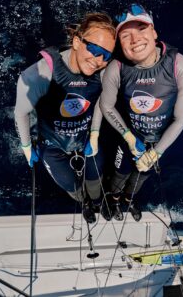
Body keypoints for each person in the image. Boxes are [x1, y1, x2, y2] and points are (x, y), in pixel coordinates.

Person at [14, 13, 116, 224]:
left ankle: (98, 200)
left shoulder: (105, 72)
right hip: (53, 146)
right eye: (95, 50)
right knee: (72, 187)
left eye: (106, 56)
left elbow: (100, 101)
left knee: (95, 182)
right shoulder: (39, 73)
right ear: (77, 42)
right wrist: (26, 146)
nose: (98, 61)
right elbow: (21, 112)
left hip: (86, 140)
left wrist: (95, 134)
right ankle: (85, 203)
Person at [100, 4, 183, 222]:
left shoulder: (180, 65)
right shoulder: (117, 68)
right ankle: (112, 199)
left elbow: (180, 120)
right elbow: (106, 106)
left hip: (159, 141)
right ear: (119, 44)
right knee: (120, 172)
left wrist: (157, 152)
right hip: (129, 137)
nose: (135, 40)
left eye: (141, 29)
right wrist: (128, 137)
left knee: (142, 175)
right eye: (126, 35)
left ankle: (127, 200)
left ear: (154, 32)